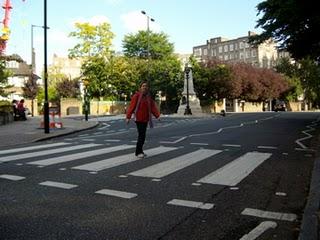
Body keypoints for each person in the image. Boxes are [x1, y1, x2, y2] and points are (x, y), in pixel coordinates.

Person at [126, 81, 160, 158]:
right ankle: (138, 152)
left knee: (143, 136)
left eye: (146, 86)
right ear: (140, 88)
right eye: (143, 86)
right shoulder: (136, 96)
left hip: (145, 119)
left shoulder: (148, 97)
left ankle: (140, 151)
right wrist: (128, 117)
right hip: (138, 119)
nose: (145, 87)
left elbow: (152, 107)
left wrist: (157, 116)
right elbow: (132, 107)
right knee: (141, 135)